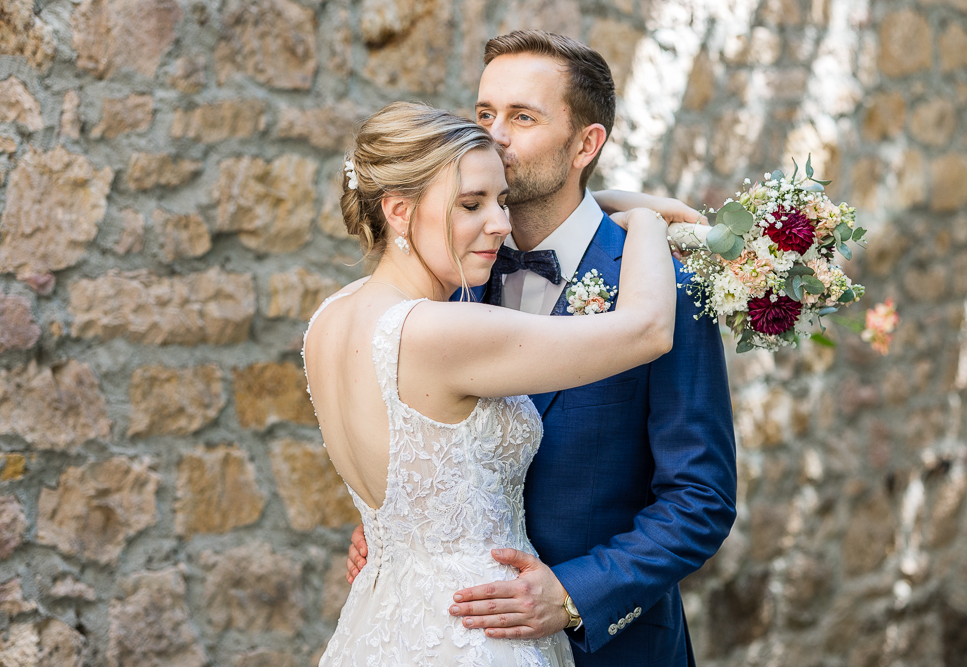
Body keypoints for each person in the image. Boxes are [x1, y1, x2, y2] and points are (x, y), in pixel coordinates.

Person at [346, 31, 738, 667]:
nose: (494, 136)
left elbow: (701, 499)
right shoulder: (446, 276)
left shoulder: (666, 289)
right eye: (484, 114)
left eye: (522, 117)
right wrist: (400, 524)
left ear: (585, 144)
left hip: (613, 648)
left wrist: (574, 594)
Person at [303, 101, 678, 666]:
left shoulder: (329, 319)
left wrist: (601, 205)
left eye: (501, 200)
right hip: (478, 631)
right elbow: (647, 329)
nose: (500, 224)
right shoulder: (440, 331)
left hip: (384, 621)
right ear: (400, 211)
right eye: (471, 205)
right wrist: (649, 219)